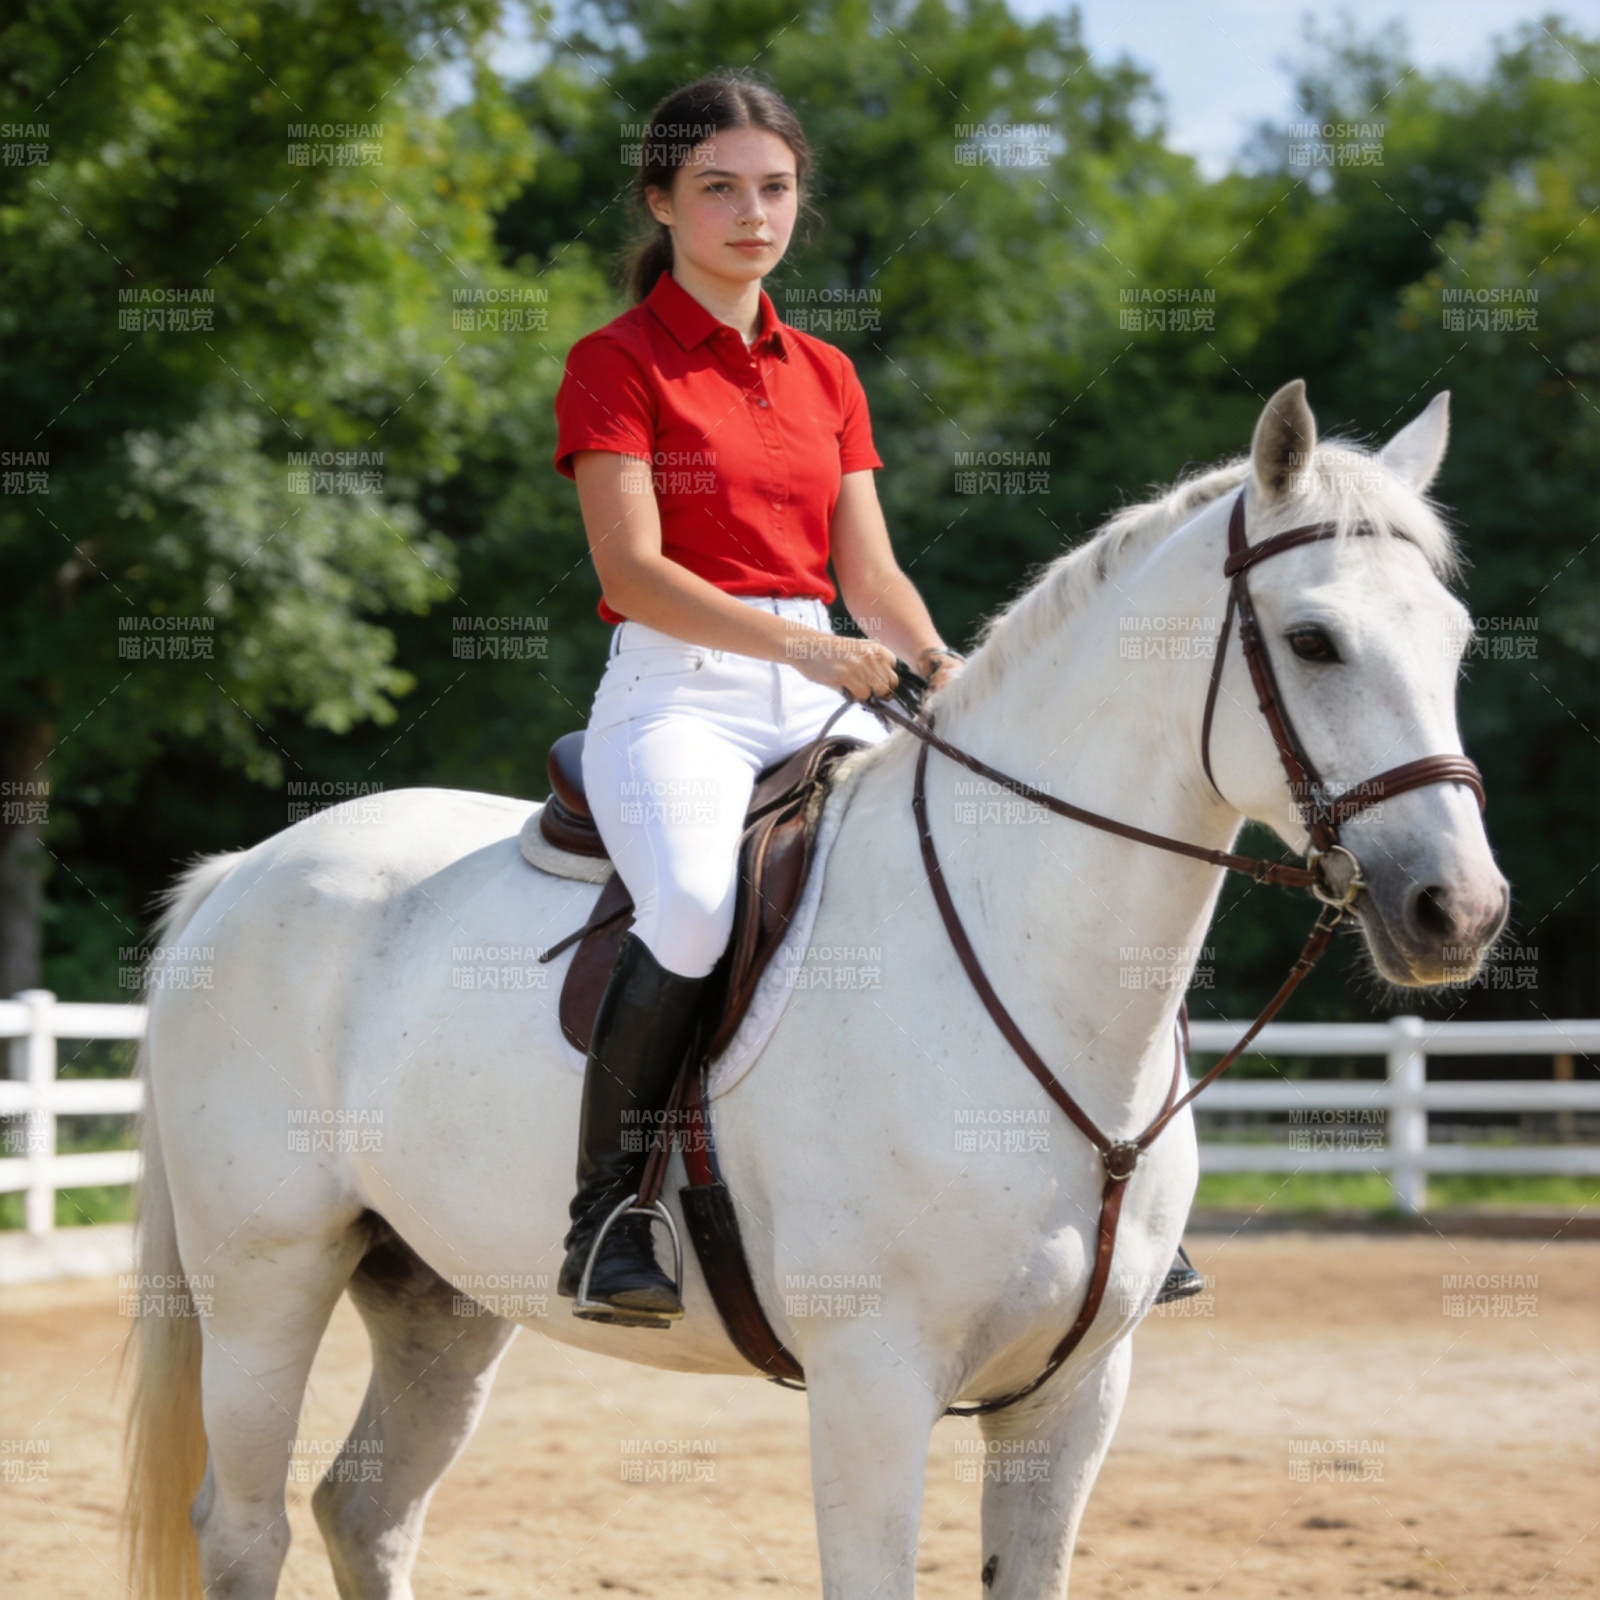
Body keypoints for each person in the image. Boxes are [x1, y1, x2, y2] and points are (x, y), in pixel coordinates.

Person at [551, 70, 1200, 1325]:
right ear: (661, 202)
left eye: (775, 189)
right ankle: (609, 1211)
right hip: (680, 694)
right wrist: (809, 654)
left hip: (825, 677)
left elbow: (869, 575)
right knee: (690, 908)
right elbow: (633, 571)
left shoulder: (823, 372)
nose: (753, 214)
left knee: (1008, 841)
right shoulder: (615, 361)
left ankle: (1108, 1192)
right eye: (719, 189)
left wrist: (947, 667)